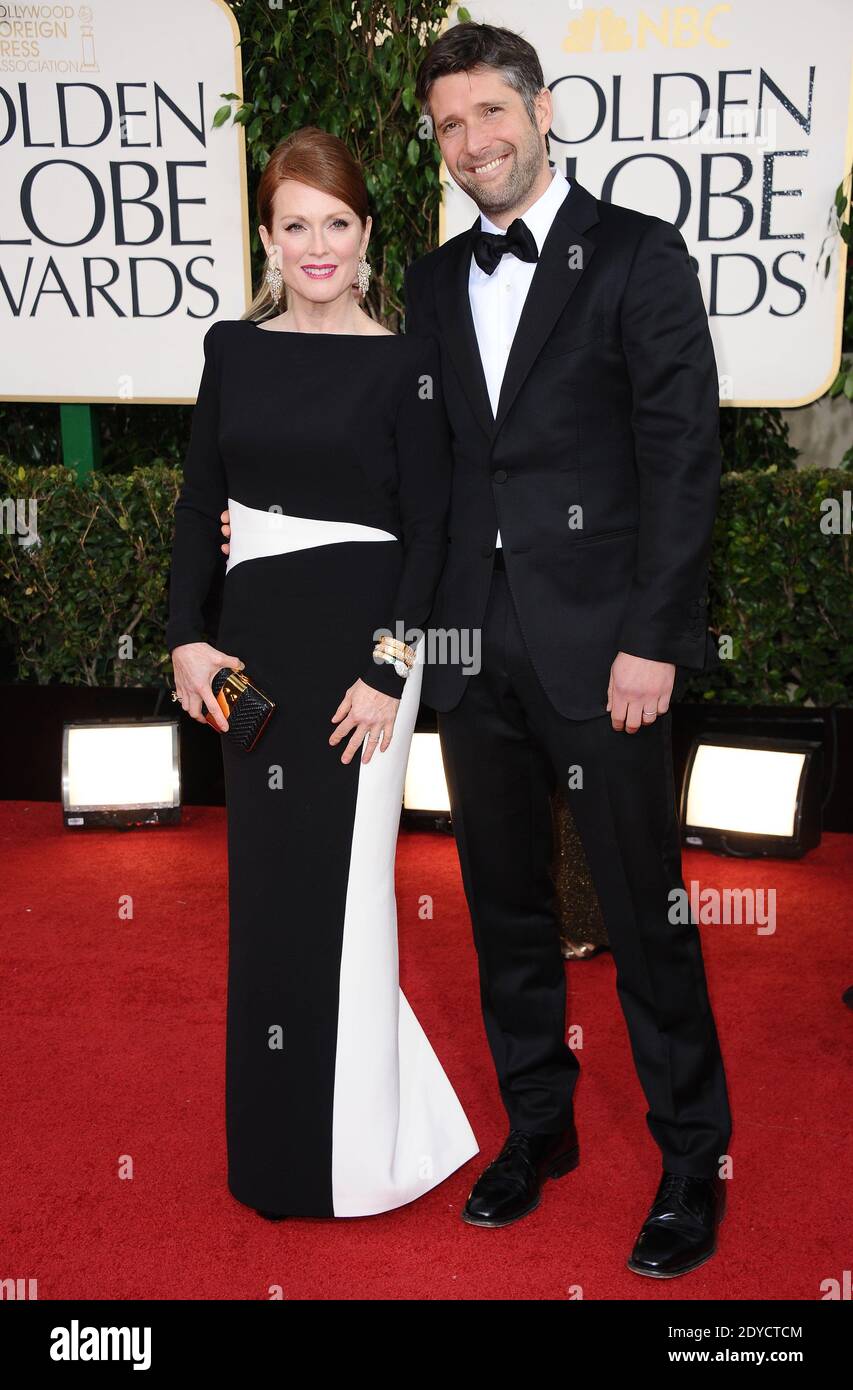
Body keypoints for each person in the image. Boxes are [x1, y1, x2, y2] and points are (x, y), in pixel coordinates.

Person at [403, 22, 732, 1277]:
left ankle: (693, 1157)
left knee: (646, 920)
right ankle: (539, 1125)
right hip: (469, 653)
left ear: (542, 112)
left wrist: (653, 639)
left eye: (492, 113)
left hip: (608, 660)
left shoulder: (638, 257)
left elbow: (682, 460)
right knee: (502, 911)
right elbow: (421, 477)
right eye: (449, 126)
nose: (474, 142)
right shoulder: (435, 286)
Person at [166, 126, 478, 1221]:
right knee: (267, 905)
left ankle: (362, 1156)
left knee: (352, 904)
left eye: (334, 224)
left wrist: (394, 672)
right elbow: (198, 499)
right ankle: (275, 1153)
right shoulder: (231, 348)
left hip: (363, 672)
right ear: (264, 234)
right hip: (253, 666)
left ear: (366, 234)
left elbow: (432, 533)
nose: (315, 245)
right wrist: (185, 636)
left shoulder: (407, 361)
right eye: (293, 224)